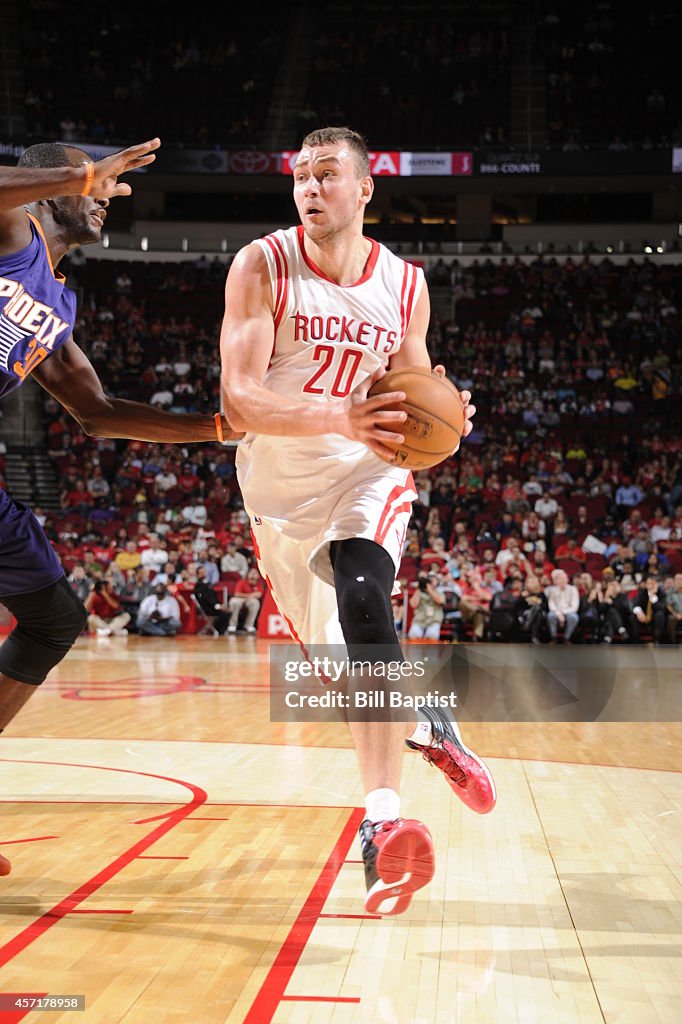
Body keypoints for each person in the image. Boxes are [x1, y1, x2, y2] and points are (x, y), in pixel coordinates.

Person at [219, 125, 495, 916]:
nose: (310, 187)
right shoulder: (263, 265)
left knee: (367, 597)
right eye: (301, 175)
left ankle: (382, 823)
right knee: (348, 674)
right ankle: (430, 722)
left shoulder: (406, 285)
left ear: (365, 188)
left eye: (328, 174)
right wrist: (338, 415)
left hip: (368, 472)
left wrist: (446, 412)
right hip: (278, 489)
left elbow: (415, 389)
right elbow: (239, 399)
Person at [0, 137, 240, 875]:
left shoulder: (57, 299)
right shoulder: (14, 230)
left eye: (103, 183)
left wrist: (215, 429)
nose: (106, 193)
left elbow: (97, 411)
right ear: (47, 187)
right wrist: (77, 171)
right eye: (94, 181)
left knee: (56, 618)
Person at [193, 564, 231, 635]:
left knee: (227, 612)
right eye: (201, 572)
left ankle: (220, 630)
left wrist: (219, 604)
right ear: (197, 575)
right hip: (207, 608)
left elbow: (213, 597)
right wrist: (217, 606)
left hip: (212, 606)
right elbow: (205, 599)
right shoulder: (199, 586)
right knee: (225, 614)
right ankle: (220, 630)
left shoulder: (208, 583)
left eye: (204, 571)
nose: (203, 573)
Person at [545, 568, 581, 642]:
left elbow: (574, 606)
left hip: (569, 611)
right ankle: (553, 637)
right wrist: (558, 613)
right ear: (557, 581)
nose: (562, 581)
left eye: (564, 579)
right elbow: (551, 603)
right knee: (550, 615)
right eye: (560, 579)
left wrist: (562, 612)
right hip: (556, 611)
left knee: (574, 617)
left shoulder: (573, 589)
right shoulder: (554, 590)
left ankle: (566, 638)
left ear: (567, 580)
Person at [227, 566, 265, 634]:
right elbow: (237, 594)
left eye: (255, 573)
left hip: (251, 600)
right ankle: (232, 625)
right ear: (248, 574)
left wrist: (250, 596)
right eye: (251, 573)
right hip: (240, 599)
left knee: (255, 603)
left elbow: (259, 595)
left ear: (259, 576)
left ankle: (249, 625)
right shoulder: (241, 582)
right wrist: (250, 595)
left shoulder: (259, 584)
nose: (253, 575)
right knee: (234, 601)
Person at [407, 571, 445, 639]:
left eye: (433, 580)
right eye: (430, 579)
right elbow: (413, 604)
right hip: (419, 620)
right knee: (413, 634)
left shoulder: (440, 593)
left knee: (431, 635)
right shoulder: (419, 592)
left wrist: (429, 589)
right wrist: (420, 587)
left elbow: (440, 601)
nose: (431, 581)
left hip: (433, 620)